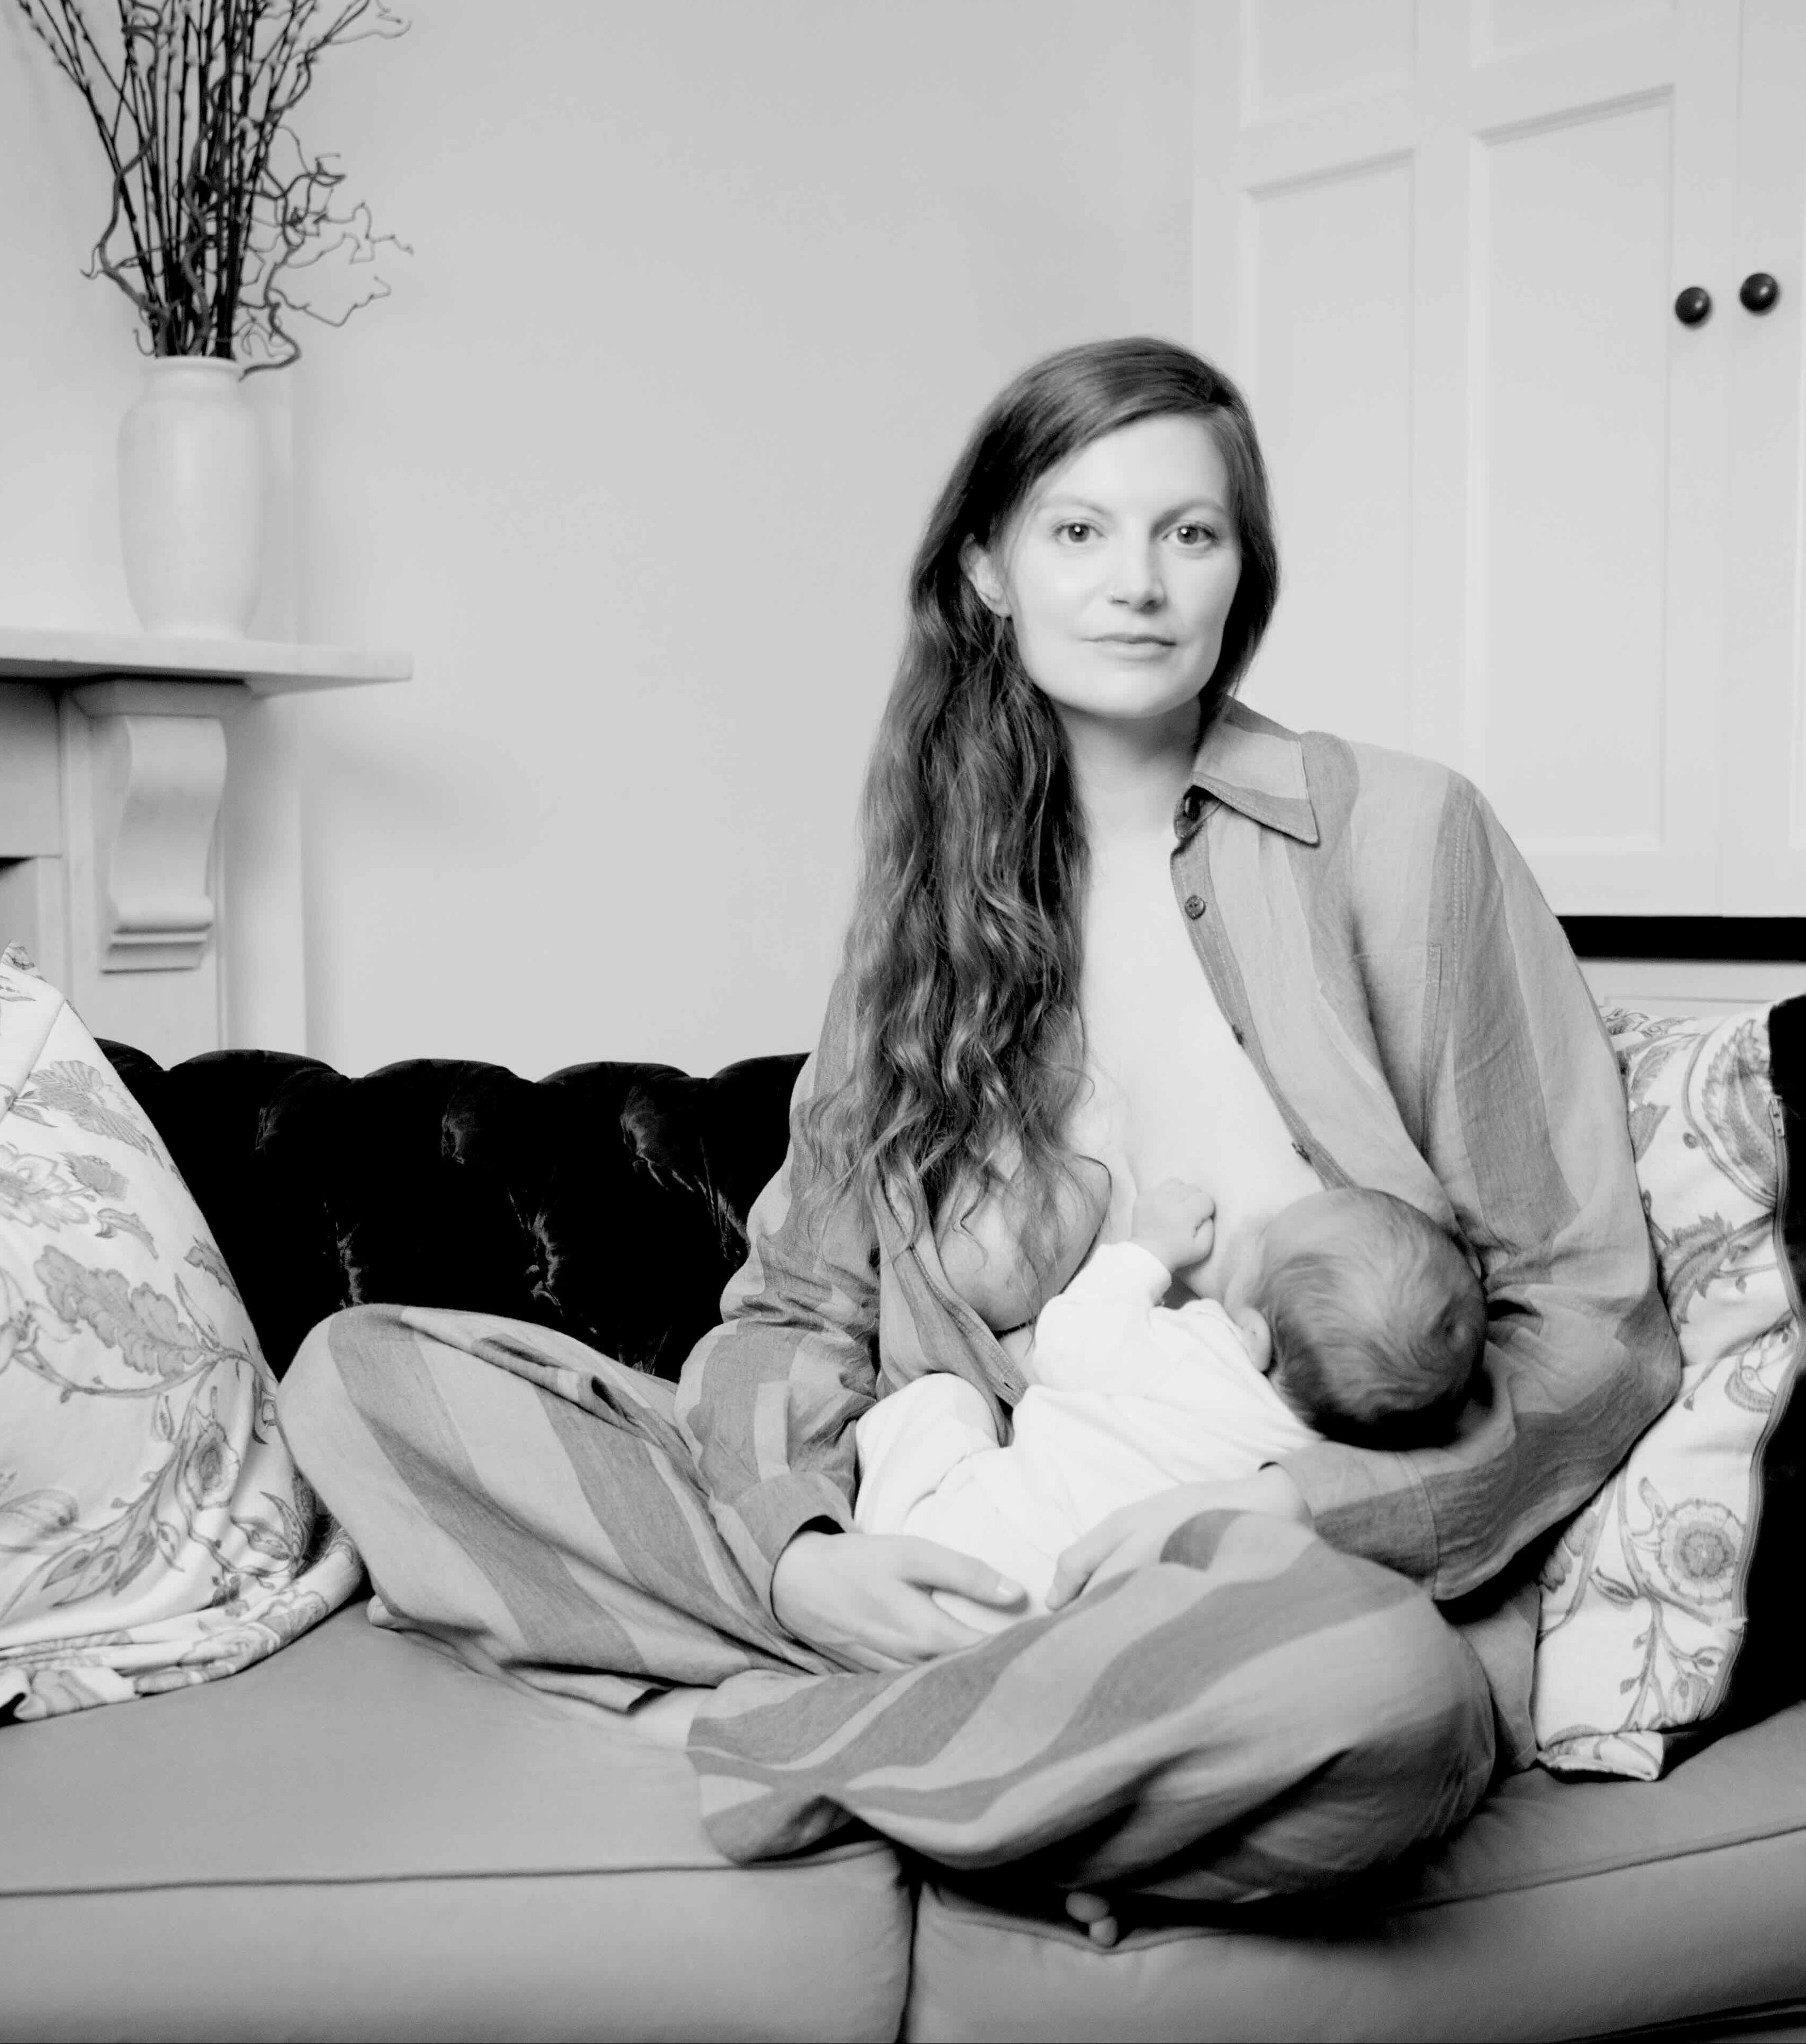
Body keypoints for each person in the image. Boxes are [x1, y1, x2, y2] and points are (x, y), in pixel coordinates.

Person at [278, 336, 1679, 1937]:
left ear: (1244, 573)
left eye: (1192, 533)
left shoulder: (1403, 837)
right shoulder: (928, 913)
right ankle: (999, 1760)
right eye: (1079, 530)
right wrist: (804, 1551)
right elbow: (793, 1314)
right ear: (987, 570)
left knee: (1381, 1702)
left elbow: (1594, 1323)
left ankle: (812, 1738)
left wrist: (1305, 1513)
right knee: (361, 1379)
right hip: (938, 1538)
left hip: (1248, 1580)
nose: (1139, 581)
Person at [854, 1173, 1488, 1635]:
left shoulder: (1203, 1349)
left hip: (955, 1553)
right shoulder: (1315, 1462)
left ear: (1256, 1338)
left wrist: (1145, 1255)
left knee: (935, 1400)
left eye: (1262, 1245)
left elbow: (1066, 1350)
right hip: (1066, 1635)